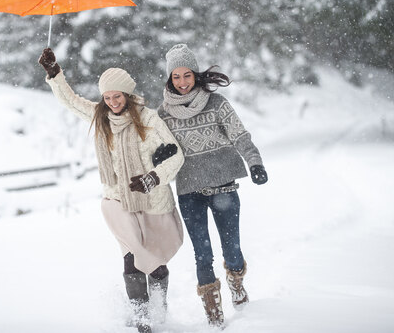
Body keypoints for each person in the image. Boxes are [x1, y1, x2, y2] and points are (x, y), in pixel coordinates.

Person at [38, 48, 185, 333]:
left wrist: (153, 178)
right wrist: (53, 73)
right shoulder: (100, 117)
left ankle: (159, 310)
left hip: (153, 201)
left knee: (154, 262)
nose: (112, 102)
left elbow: (175, 156)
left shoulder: (151, 120)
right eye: (107, 97)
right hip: (119, 201)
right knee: (131, 261)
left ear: (128, 96)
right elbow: (70, 101)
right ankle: (142, 322)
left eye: (117, 96)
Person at [157, 44, 269, 327]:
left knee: (232, 249)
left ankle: (235, 279)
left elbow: (240, 135)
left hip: (223, 186)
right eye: (176, 77)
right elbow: (155, 144)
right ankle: (213, 311)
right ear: (170, 78)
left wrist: (255, 162)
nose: (182, 82)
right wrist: (158, 153)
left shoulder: (216, 103)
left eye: (187, 75)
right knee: (202, 254)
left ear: (195, 74)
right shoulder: (164, 113)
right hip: (189, 191)